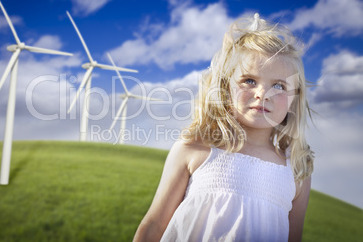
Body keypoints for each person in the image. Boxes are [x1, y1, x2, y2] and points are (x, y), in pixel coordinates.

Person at [133, 13, 314, 242]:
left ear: (294, 99)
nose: (262, 94)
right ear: (226, 87)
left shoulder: (296, 170)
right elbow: (154, 225)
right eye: (249, 81)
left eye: (278, 85)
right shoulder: (195, 147)